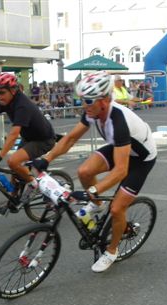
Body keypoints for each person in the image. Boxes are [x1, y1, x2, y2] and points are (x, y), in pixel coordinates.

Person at [32, 71, 157, 273]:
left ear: (105, 100)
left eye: (88, 100)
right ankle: (97, 206)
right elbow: (70, 139)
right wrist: (47, 158)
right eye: (82, 99)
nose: (84, 105)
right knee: (84, 171)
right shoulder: (93, 112)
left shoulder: (119, 121)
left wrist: (93, 190)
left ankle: (111, 251)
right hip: (120, 147)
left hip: (141, 159)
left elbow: (121, 170)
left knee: (117, 209)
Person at [0, 72, 57, 213]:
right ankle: (13, 200)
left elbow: (13, 134)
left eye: (1, 92)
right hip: (28, 138)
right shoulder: (5, 101)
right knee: (15, 170)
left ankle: (35, 185)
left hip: (43, 140)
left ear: (13, 90)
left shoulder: (22, 105)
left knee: (13, 161)